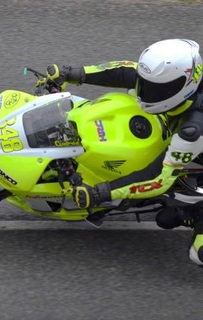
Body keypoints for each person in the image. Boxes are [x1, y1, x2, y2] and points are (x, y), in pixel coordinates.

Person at [39, 39, 203, 266]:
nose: (145, 92)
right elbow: (128, 71)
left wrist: (100, 193)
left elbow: (158, 179)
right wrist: (72, 73)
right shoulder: (181, 81)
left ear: (183, 86)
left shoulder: (193, 130)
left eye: (155, 90)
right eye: (147, 85)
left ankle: (196, 212)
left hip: (188, 147)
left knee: (199, 253)